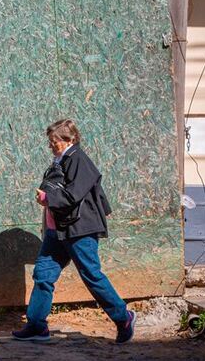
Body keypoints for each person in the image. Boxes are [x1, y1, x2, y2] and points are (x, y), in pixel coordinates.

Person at [12, 118, 136, 344]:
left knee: (92, 275)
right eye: (50, 141)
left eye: (54, 141)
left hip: (79, 229)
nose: (51, 145)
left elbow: (74, 193)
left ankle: (123, 317)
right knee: (43, 275)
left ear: (69, 139)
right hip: (57, 230)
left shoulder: (78, 159)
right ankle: (37, 325)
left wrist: (48, 198)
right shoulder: (61, 160)